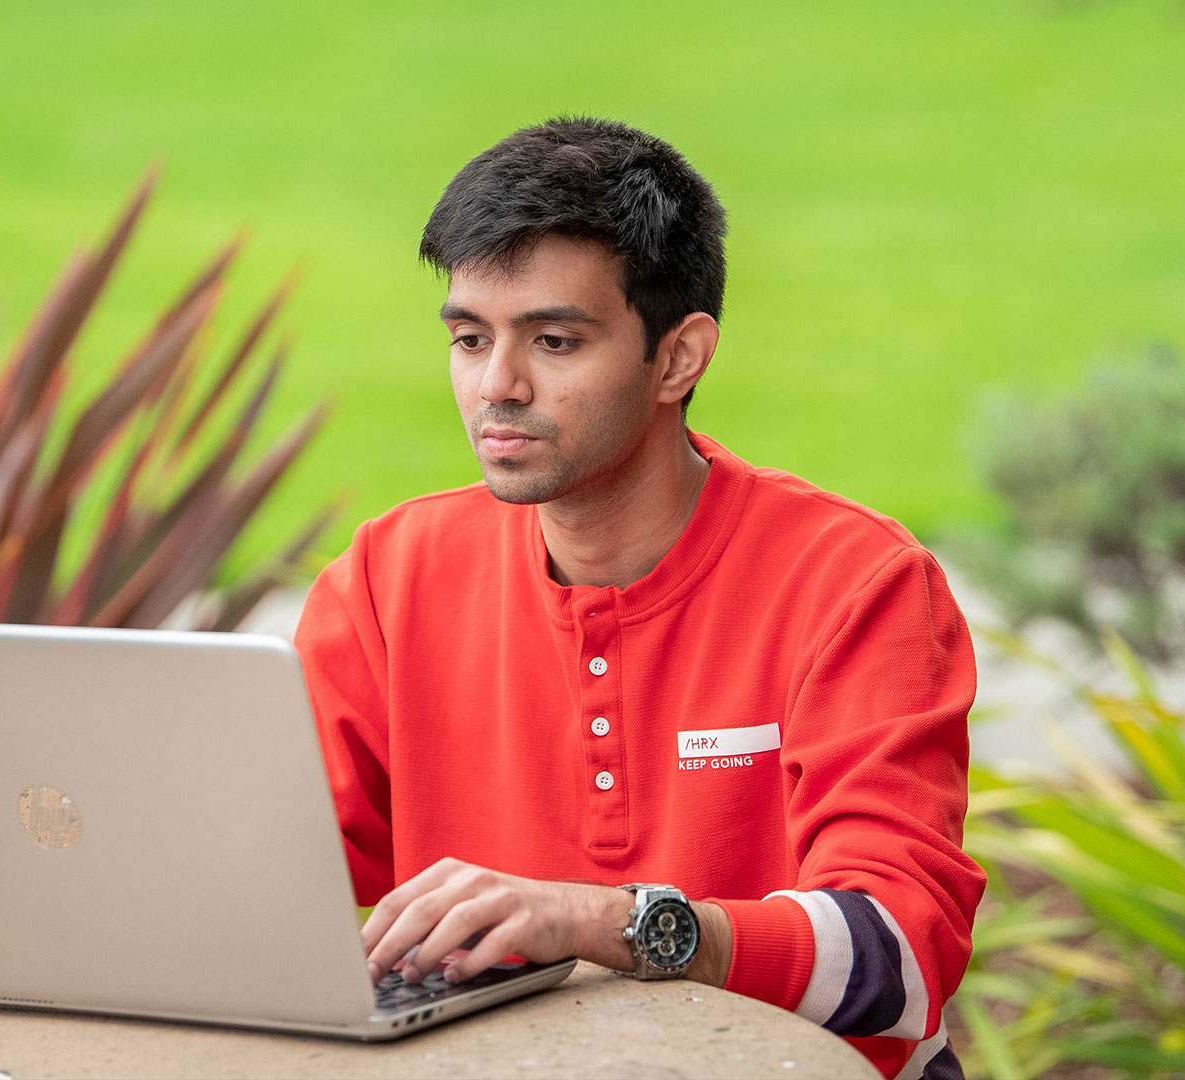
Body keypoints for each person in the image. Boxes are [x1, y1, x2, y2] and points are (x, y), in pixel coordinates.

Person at [294, 117, 982, 1080]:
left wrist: (604, 921)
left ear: (679, 358)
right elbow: (269, 869)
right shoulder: (388, 576)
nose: (499, 385)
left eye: (555, 340)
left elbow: (899, 958)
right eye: (469, 337)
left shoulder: (856, 584)